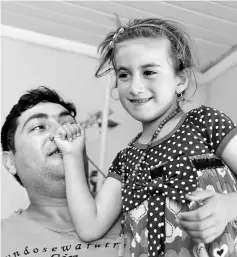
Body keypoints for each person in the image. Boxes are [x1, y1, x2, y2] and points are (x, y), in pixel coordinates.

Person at [62, 18, 237, 257]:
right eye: (124, 75)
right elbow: (90, 226)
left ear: (181, 80)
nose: (135, 86)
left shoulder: (204, 123)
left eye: (149, 72)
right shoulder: (126, 159)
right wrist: (72, 154)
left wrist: (229, 206)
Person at [1, 86, 130, 257]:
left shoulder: (138, 208)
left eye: (69, 124)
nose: (61, 132)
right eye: (39, 127)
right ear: (10, 162)